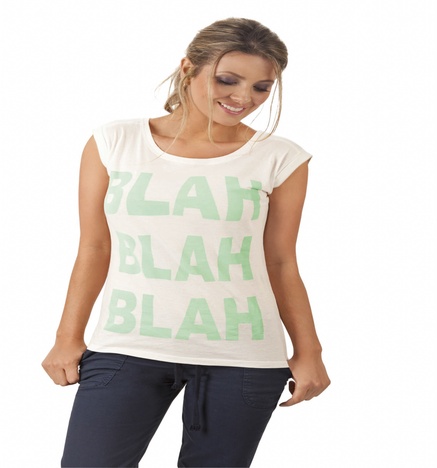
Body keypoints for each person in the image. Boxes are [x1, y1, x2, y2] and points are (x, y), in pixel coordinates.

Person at [42, 17, 330, 468]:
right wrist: (67, 337)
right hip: (127, 346)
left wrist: (309, 351)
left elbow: (280, 262)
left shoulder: (280, 158)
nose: (243, 98)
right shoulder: (115, 141)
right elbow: (95, 247)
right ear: (188, 67)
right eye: (228, 80)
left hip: (243, 355)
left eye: (261, 87)